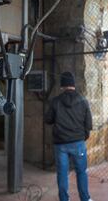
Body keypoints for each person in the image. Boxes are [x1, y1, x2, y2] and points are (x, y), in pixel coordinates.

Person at [45, 71, 93, 201]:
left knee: (62, 174)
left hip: (60, 144)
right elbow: (88, 124)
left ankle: (64, 199)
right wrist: (82, 137)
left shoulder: (55, 101)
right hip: (78, 143)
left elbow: (48, 120)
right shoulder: (83, 100)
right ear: (73, 85)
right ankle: (85, 198)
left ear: (62, 86)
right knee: (81, 172)